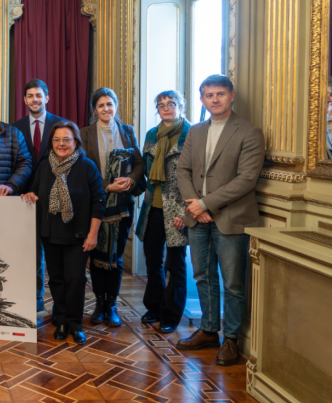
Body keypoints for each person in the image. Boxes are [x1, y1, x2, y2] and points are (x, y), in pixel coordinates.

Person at [175, 74, 264, 366]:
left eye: (220, 94)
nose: (215, 99)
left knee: (233, 283)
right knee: (203, 276)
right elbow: (182, 171)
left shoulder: (249, 132)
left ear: (231, 96)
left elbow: (246, 179)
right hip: (197, 218)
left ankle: (232, 339)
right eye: (209, 95)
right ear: (202, 99)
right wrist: (196, 206)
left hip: (231, 217)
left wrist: (205, 204)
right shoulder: (195, 131)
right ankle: (209, 330)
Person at [21, 121, 103, 345]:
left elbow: (98, 202)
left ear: (75, 142)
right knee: (56, 280)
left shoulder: (87, 166)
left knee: (75, 279)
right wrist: (30, 195)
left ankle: (75, 324)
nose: (61, 144)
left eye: (66, 139)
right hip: (51, 234)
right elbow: (35, 192)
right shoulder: (44, 166)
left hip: (78, 236)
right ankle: (62, 321)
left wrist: (93, 234)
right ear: (51, 142)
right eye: (56, 139)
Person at [79, 88, 146, 327]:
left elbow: (139, 163)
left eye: (109, 104)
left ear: (116, 106)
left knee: (116, 257)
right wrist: (107, 185)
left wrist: (131, 181)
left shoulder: (127, 131)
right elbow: (82, 168)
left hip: (123, 204)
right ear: (94, 110)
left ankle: (112, 305)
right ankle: (99, 304)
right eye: (101, 105)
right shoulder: (85, 133)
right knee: (97, 255)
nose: (106, 109)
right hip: (96, 203)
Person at [135, 91, 191, 334]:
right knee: (153, 261)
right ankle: (154, 307)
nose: (166, 108)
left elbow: (196, 176)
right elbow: (146, 169)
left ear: (181, 107)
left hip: (178, 210)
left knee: (175, 265)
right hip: (152, 207)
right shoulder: (151, 134)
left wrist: (187, 211)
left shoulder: (191, 134)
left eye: (171, 104)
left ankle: (171, 315)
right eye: (161, 105)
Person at [13, 79, 69, 315]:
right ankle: (35, 298)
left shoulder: (62, 125)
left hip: (57, 198)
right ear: (24, 99)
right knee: (32, 252)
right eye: (30, 96)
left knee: (57, 255)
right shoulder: (15, 127)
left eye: (39, 95)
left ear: (47, 98)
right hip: (26, 198)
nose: (34, 99)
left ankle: (60, 304)